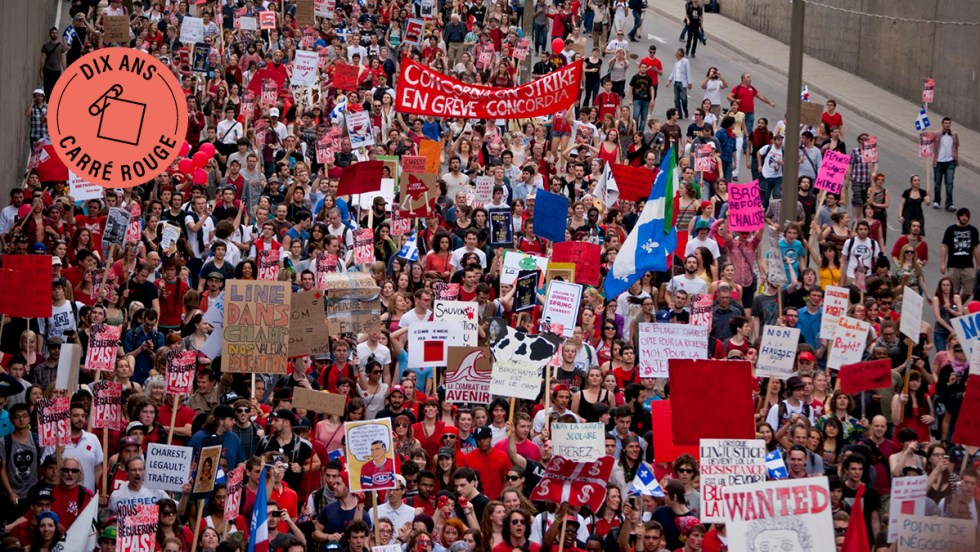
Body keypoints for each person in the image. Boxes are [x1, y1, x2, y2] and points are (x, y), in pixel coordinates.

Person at [932, 117, 959, 211]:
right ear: (942, 124)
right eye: (945, 123)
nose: (947, 125)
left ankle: (949, 204)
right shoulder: (937, 134)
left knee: (949, 183)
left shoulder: (954, 135)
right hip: (938, 162)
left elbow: (956, 146)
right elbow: (928, 140)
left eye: (949, 123)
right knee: (937, 183)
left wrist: (955, 158)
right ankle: (936, 201)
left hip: (950, 162)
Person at [667, 49, 692, 120]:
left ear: (680, 54)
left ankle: (685, 110)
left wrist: (689, 83)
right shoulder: (676, 63)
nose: (675, 54)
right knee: (676, 99)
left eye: (676, 53)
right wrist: (669, 80)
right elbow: (673, 72)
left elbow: (688, 72)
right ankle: (679, 114)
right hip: (676, 82)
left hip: (682, 83)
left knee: (684, 98)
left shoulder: (685, 62)